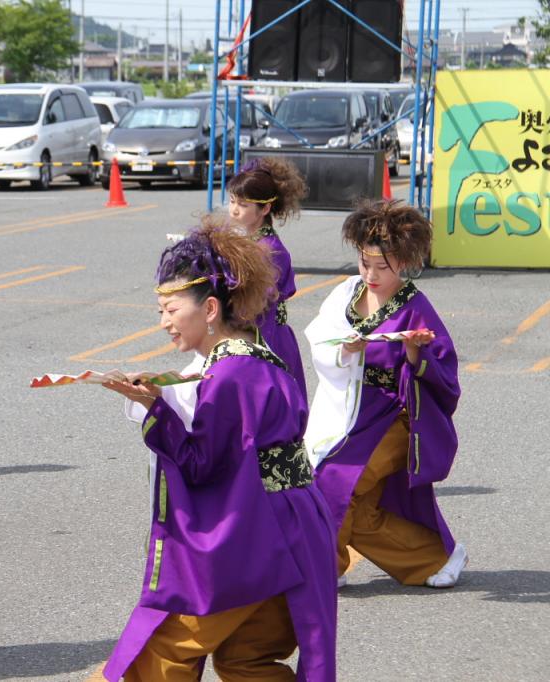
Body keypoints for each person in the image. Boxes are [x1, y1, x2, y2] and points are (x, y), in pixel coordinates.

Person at [101, 225, 337, 682]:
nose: (164, 321)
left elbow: (203, 463)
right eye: (161, 310)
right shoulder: (253, 356)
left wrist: (154, 408)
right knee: (245, 660)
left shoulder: (228, 375)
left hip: (262, 532)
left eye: (171, 309)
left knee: (160, 653)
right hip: (294, 521)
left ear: (209, 308)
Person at [304, 199, 466, 589]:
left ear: (405, 263)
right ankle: (432, 557)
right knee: (337, 491)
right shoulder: (346, 293)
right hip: (348, 408)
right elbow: (319, 338)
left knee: (342, 479)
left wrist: (415, 351)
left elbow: (444, 371)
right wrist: (345, 349)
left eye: (383, 266)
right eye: (365, 263)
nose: (371, 274)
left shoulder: (416, 307)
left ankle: (323, 564)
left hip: (395, 414)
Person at [226, 157, 309, 399]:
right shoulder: (248, 241)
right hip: (253, 331)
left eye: (242, 204)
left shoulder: (271, 250)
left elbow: (255, 300)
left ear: (265, 209)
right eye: (232, 201)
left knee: (268, 405)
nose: (234, 209)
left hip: (267, 335)